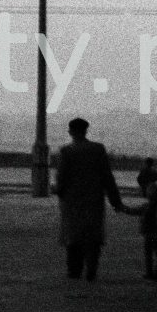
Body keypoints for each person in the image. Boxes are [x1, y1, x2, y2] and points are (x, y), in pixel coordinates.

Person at [55, 117, 127, 281]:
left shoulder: (66, 151)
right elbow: (107, 177)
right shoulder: (98, 149)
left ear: (70, 132)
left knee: (73, 238)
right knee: (92, 237)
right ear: (86, 130)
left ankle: (74, 271)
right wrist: (115, 201)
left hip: (72, 202)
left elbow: (61, 179)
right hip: (94, 200)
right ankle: (91, 269)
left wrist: (59, 192)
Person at [127, 181, 157, 280]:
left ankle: (149, 272)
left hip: (148, 235)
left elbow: (133, 211)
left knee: (148, 255)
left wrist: (122, 208)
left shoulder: (146, 207)